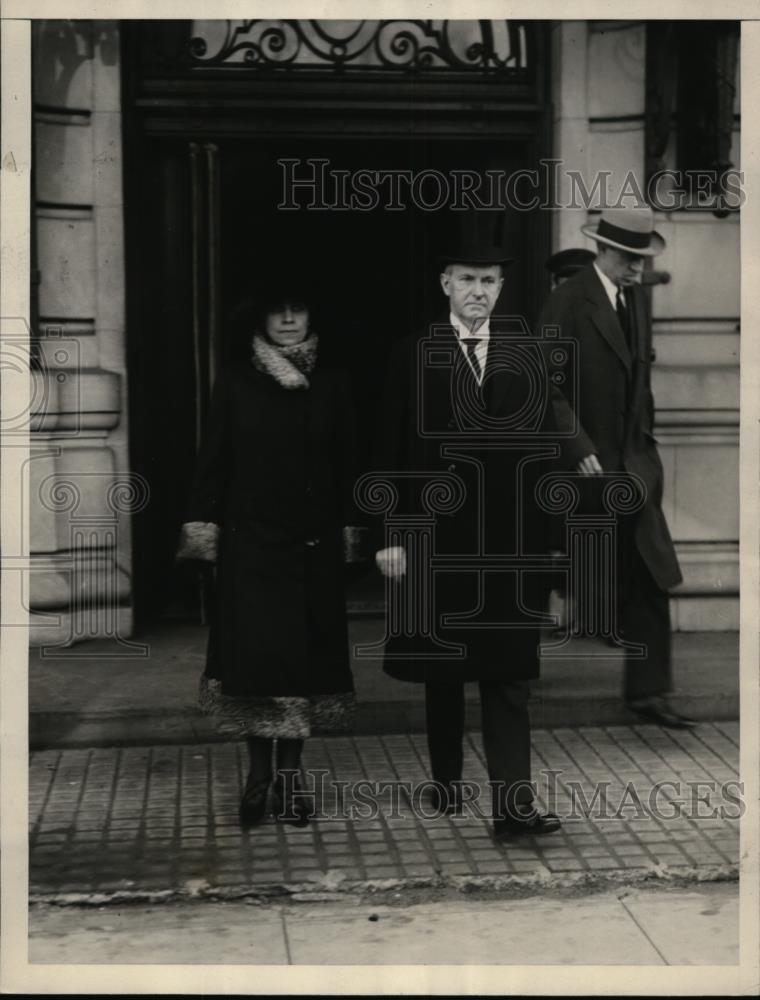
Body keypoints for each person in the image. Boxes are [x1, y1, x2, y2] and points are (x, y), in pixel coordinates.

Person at [373, 243, 561, 841]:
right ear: (445, 283)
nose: (479, 290)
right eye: (467, 279)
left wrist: (550, 552)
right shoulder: (411, 356)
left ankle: (514, 807)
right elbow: (391, 449)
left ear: (501, 289)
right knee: (444, 669)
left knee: (508, 675)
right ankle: (448, 781)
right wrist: (393, 535)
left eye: (489, 280)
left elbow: (545, 460)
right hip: (435, 540)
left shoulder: (527, 356)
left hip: (508, 548)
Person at [178, 283, 359, 827]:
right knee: (257, 665)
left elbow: (349, 465)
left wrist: (353, 534)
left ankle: (291, 778)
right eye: (277, 309)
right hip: (252, 549)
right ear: (260, 318)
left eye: (297, 308)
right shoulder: (235, 382)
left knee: (303, 666)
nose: (287, 318)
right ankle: (259, 778)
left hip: (313, 548)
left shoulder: (333, 384)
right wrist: (205, 535)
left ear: (311, 315)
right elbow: (214, 461)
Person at [536, 205, 695, 729]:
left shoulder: (633, 298)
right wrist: (575, 444)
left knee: (650, 572)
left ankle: (649, 692)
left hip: (631, 466)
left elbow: (638, 380)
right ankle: (513, 667)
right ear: (604, 250)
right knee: (553, 564)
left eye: (640, 258)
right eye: (629, 257)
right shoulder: (566, 301)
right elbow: (546, 384)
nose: (635, 267)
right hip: (583, 468)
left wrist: (645, 451)